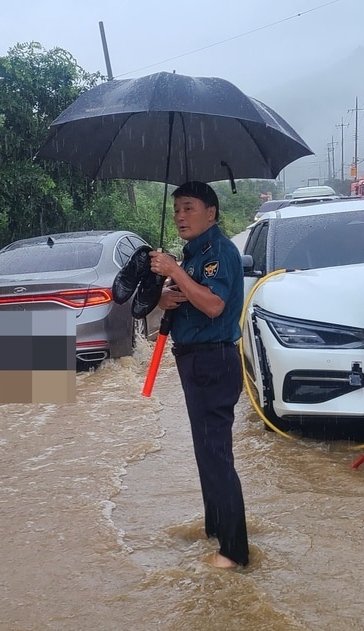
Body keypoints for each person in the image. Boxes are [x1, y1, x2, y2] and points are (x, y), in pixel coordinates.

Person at [148, 181, 249, 568]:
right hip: (193, 361)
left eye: (188, 208)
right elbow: (186, 297)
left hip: (214, 361)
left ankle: (234, 552)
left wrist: (175, 271)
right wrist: (164, 294)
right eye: (176, 210)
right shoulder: (192, 256)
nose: (179, 216)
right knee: (205, 454)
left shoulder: (220, 253)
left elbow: (213, 305)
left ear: (212, 212)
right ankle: (218, 529)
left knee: (216, 456)